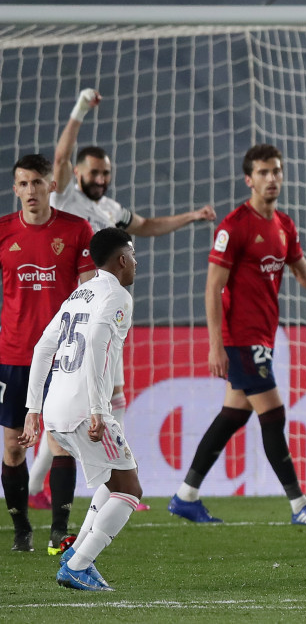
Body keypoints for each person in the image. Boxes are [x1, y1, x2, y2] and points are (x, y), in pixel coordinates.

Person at [28, 88, 217, 516]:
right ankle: (67, 483)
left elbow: (147, 225)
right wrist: (79, 108)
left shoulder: (110, 209)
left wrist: (190, 217)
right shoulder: (65, 199)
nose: (101, 178)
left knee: (114, 393)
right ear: (77, 172)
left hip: (108, 308)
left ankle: (110, 478)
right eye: (94, 171)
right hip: (79, 305)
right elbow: (58, 159)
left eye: (105, 172)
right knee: (83, 395)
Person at [167, 144, 306, 525]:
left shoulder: (283, 225)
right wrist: (216, 345)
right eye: (263, 173)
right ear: (249, 180)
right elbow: (213, 288)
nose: (272, 178)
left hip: (263, 335)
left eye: (276, 171)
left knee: (232, 415)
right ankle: (300, 505)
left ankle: (185, 496)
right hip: (240, 337)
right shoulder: (233, 227)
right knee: (274, 414)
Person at [20, 227, 141, 591]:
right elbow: (98, 342)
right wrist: (98, 409)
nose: (136, 263)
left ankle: (77, 553)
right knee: (130, 488)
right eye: (133, 256)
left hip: (57, 409)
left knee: (112, 477)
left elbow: (43, 347)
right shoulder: (117, 296)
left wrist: (33, 409)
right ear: (121, 260)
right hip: (84, 408)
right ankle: (78, 564)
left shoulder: (78, 294)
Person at [0, 155, 96, 553]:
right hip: (14, 355)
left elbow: (92, 292)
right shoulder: (4, 232)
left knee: (58, 441)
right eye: (23, 184)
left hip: (61, 356)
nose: (30, 191)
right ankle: (22, 528)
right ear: (15, 188)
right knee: (13, 445)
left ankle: (59, 530)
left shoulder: (76, 230)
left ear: (51, 185)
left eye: (38, 182)